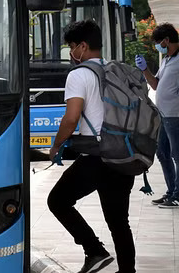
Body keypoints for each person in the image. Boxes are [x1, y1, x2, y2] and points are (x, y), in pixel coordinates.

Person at [48, 19, 135, 273]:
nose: (71, 52)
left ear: (83, 46)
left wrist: (57, 145)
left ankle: (94, 250)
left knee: (58, 201)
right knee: (119, 221)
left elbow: (72, 117)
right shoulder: (117, 69)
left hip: (97, 157)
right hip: (124, 154)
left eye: (72, 46)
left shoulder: (79, 75)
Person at [135, 23, 179, 209]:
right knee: (162, 153)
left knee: (178, 155)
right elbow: (155, 85)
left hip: (176, 114)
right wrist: (144, 69)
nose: (157, 45)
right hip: (163, 114)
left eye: (158, 42)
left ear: (166, 40)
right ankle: (171, 191)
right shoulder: (167, 60)